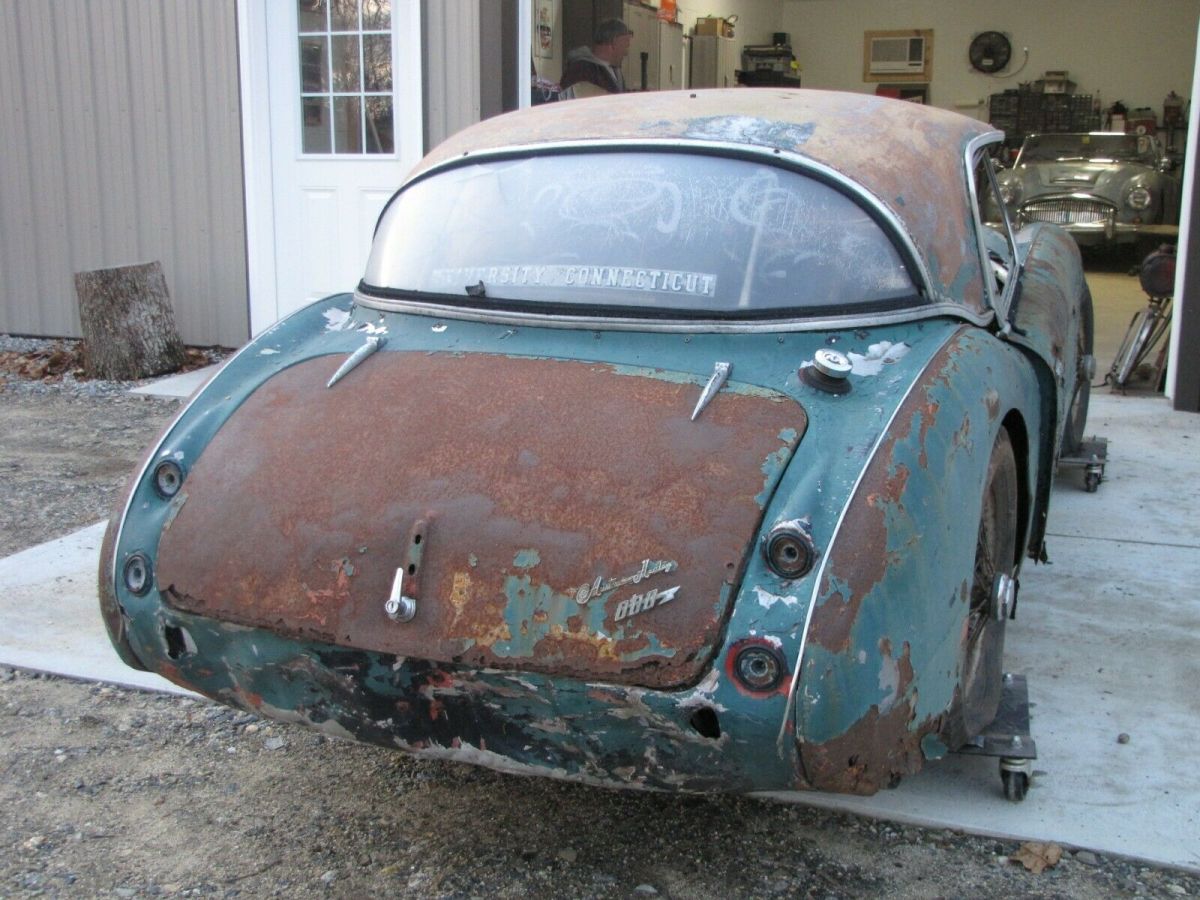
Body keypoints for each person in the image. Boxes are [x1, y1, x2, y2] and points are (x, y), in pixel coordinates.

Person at [559, 19, 632, 99]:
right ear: (614, 42)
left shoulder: (616, 71)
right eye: (625, 45)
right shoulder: (580, 71)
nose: (626, 53)